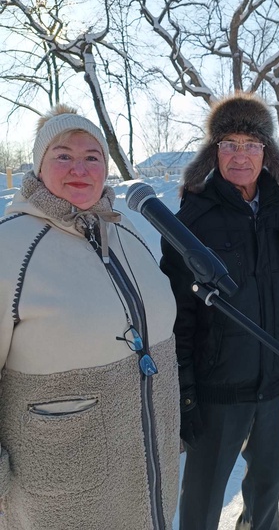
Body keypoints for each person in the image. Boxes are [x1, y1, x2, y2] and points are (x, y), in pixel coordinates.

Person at [0, 104, 180, 530]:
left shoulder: (127, 230)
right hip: (61, 493)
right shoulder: (10, 247)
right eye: (63, 155)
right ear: (39, 166)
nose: (79, 167)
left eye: (92, 156)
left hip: (148, 474)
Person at [160, 91, 279, 530]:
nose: (240, 155)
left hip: (274, 382)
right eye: (229, 144)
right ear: (213, 152)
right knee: (202, 499)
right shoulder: (191, 221)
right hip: (217, 388)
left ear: (266, 153)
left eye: (251, 145)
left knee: (267, 492)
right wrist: (186, 392)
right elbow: (178, 315)